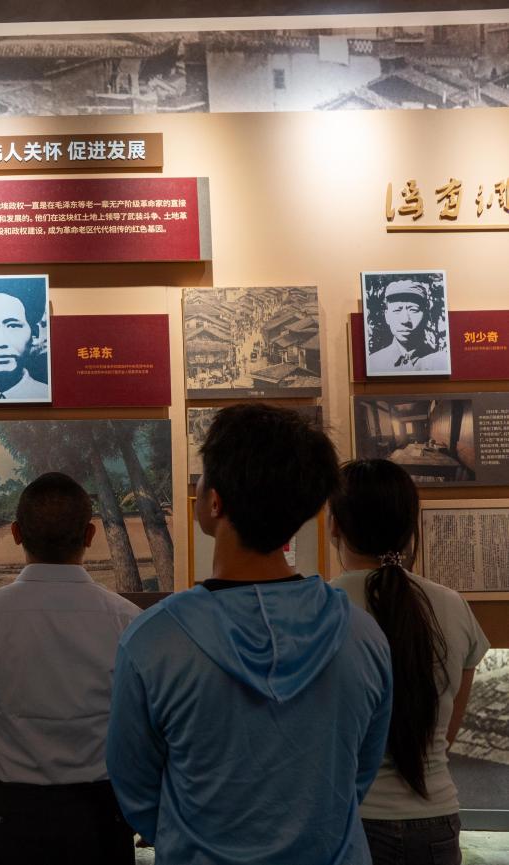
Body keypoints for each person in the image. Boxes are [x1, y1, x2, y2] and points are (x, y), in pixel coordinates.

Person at [106, 403, 393, 865]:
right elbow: (359, 772)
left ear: (214, 502)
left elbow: (134, 784)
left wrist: (188, 835)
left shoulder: (153, 639)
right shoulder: (362, 634)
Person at [0, 472, 140, 863]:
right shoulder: (127, 619)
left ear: (16, 533)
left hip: (13, 811)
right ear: (90, 535)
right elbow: (140, 726)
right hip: (101, 809)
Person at [330, 460, 489, 865]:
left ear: (335, 526)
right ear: (409, 527)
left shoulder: (320, 609)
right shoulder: (452, 605)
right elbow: (446, 732)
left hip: (352, 820)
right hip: (436, 819)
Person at [368, 279, 446, 372]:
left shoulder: (442, 363)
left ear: (426, 315)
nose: (404, 320)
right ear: (387, 316)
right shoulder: (373, 363)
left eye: (413, 310)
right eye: (397, 310)